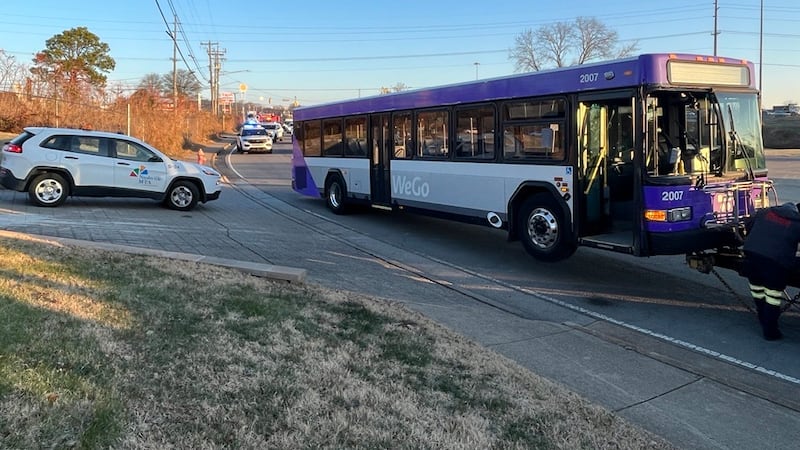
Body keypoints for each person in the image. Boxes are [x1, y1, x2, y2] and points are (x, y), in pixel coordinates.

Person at [741, 202, 800, 340]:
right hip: (775, 263)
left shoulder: (765, 212)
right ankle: (770, 332)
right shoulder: (797, 222)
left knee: (758, 292)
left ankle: (763, 320)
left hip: (751, 257)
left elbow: (748, 225)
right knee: (772, 297)